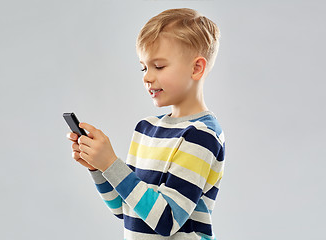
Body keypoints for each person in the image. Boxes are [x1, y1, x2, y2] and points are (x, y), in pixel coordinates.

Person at [66, 8, 225, 240]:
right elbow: (125, 209)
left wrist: (111, 164)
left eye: (158, 66)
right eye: (144, 67)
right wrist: (97, 167)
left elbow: (166, 219)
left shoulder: (201, 135)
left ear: (196, 68)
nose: (147, 77)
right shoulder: (145, 129)